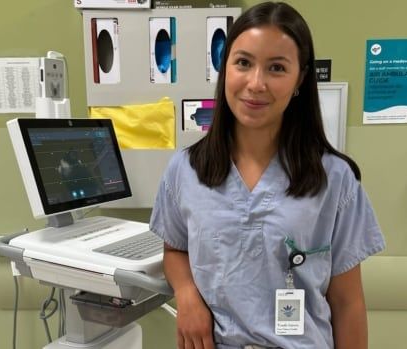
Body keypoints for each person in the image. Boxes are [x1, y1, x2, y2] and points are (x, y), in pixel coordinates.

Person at [150, 2, 385, 349]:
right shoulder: (185, 170)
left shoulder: (334, 179)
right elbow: (175, 250)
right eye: (243, 63)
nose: (256, 84)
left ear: (300, 80)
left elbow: (348, 303)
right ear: (225, 67)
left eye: (276, 68)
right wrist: (186, 294)